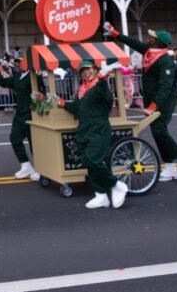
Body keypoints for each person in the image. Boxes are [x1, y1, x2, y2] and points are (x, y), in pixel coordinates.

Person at [104, 23, 177, 182]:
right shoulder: (149, 51)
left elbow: (165, 87)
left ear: (158, 42)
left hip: (164, 102)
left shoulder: (166, 61)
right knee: (157, 132)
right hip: (151, 100)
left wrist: (154, 105)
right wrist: (115, 33)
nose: (148, 38)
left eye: (152, 37)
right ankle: (170, 166)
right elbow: (133, 42)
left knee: (160, 131)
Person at [54, 61, 129, 209]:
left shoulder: (100, 87)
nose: (86, 72)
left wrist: (102, 77)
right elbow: (77, 108)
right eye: (82, 71)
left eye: (88, 69)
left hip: (99, 130)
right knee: (89, 163)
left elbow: (103, 93)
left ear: (94, 70)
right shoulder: (81, 89)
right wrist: (62, 103)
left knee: (92, 160)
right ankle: (100, 195)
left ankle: (116, 185)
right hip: (84, 131)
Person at [0, 59, 41, 181]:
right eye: (18, 62)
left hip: (31, 114)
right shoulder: (17, 76)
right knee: (14, 138)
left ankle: (41, 168)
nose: (20, 64)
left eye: (22, 62)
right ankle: (26, 165)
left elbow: (41, 93)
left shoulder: (34, 77)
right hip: (20, 114)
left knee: (34, 143)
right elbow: (4, 82)